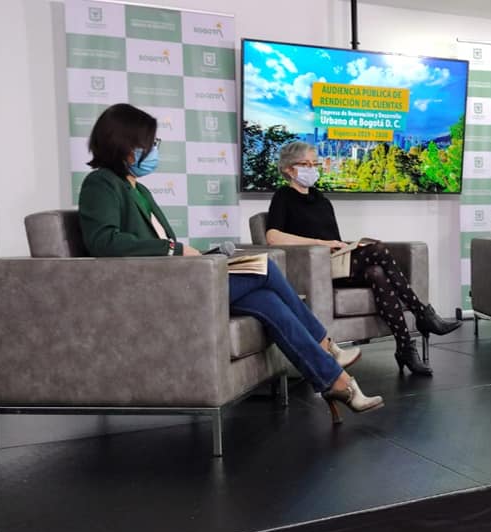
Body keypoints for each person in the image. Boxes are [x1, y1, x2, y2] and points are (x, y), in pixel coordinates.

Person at [77, 103, 381, 424]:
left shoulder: (139, 189)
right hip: (157, 289)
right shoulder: (101, 183)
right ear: (125, 144)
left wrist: (188, 254)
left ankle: (336, 383)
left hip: (180, 278)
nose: (155, 150)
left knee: (268, 302)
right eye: (150, 143)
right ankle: (325, 344)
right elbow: (103, 241)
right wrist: (172, 249)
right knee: (264, 267)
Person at [265, 141, 462, 376]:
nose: (312, 168)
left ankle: (405, 347)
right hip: (315, 270)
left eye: (314, 163)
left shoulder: (322, 200)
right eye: (305, 164)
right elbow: (273, 237)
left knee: (377, 273)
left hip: (338, 261)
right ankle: (423, 313)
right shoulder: (283, 196)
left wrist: (344, 246)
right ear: (289, 169)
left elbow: (334, 239)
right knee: (378, 248)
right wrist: (320, 244)